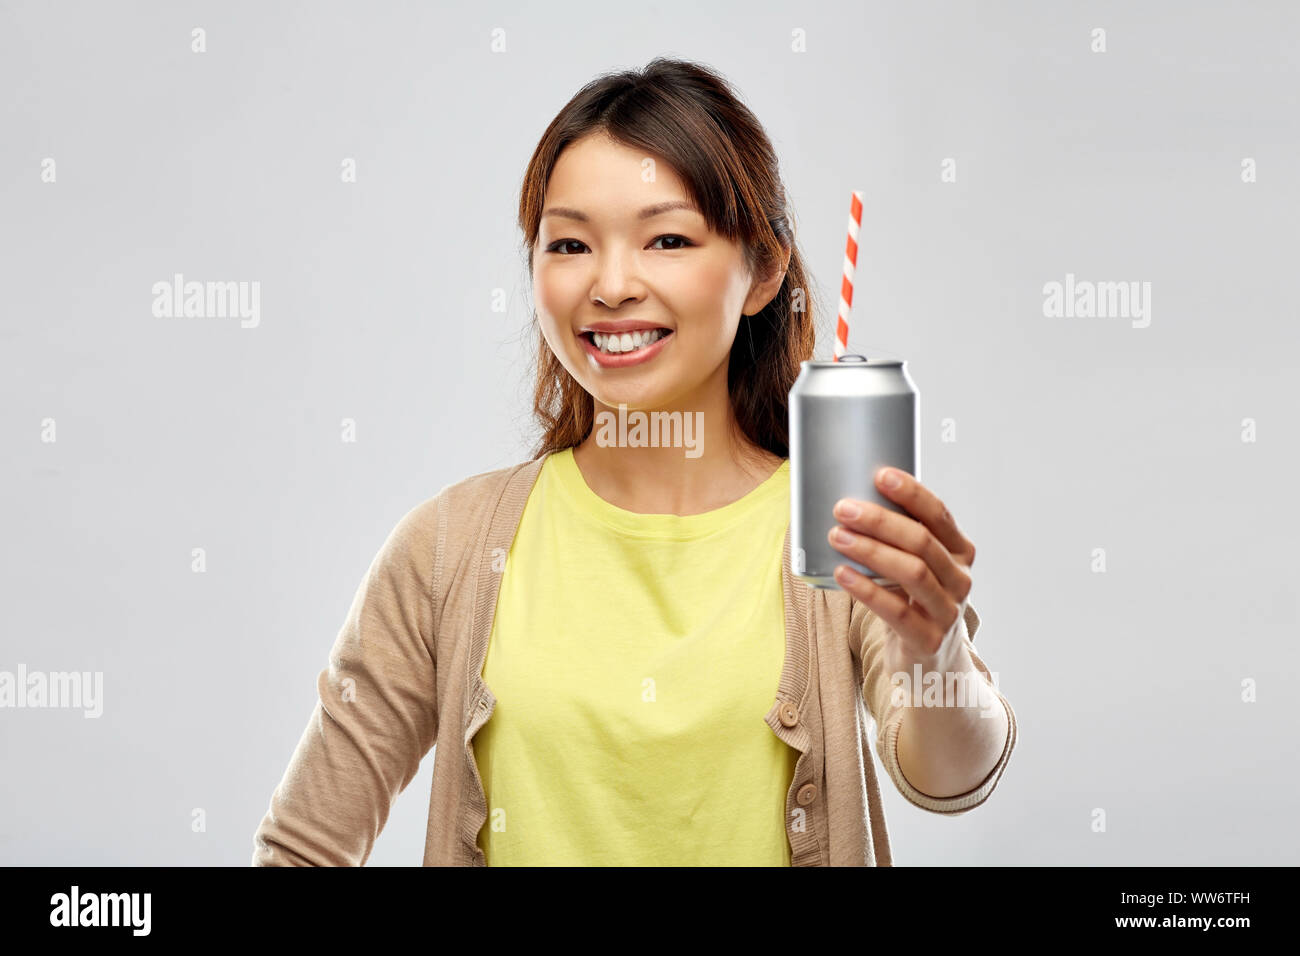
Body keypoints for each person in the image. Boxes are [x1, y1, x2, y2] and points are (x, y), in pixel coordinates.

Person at [251, 56, 1017, 867]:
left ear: (763, 270)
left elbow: (951, 776)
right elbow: (303, 848)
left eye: (668, 239)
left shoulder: (837, 541)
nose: (612, 285)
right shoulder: (448, 548)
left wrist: (936, 653)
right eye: (571, 243)